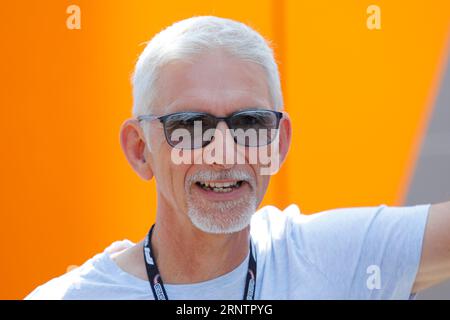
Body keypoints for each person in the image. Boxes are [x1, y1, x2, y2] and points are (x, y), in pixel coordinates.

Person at [26, 16, 450, 300]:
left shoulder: (330, 256)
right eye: (190, 125)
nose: (224, 151)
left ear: (279, 144)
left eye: (250, 123)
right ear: (140, 150)